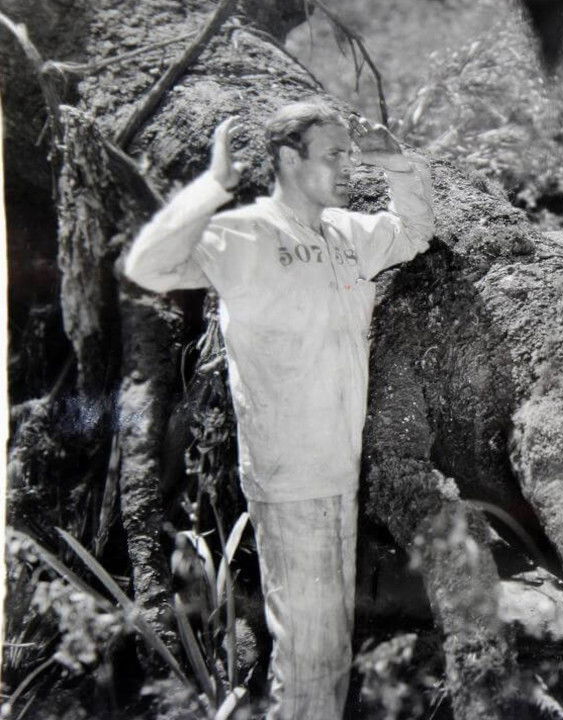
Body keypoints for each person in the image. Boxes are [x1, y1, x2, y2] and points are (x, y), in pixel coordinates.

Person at [124, 101, 435, 719]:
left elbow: (413, 232)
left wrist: (398, 164)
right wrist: (213, 185)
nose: (348, 167)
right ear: (289, 159)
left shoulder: (346, 233)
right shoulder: (246, 235)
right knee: (311, 663)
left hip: (337, 472)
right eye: (335, 155)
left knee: (326, 656)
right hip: (290, 480)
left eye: (349, 154)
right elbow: (146, 265)